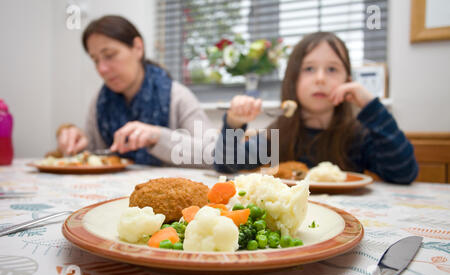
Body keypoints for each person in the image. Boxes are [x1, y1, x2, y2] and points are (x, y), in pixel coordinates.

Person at [214, 32, 418, 184]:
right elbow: (226, 165)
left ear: (347, 81)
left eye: (332, 69)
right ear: (293, 81)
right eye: (309, 69)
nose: (320, 78)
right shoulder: (276, 136)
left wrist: (371, 106)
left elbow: (404, 173)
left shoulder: (358, 137)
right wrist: (233, 123)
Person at [56, 15, 216, 167]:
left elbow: (217, 155)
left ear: (138, 47)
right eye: (95, 60)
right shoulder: (99, 101)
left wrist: (158, 137)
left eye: (109, 55)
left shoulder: (178, 97)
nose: (101, 69)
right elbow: (93, 156)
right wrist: (76, 141)